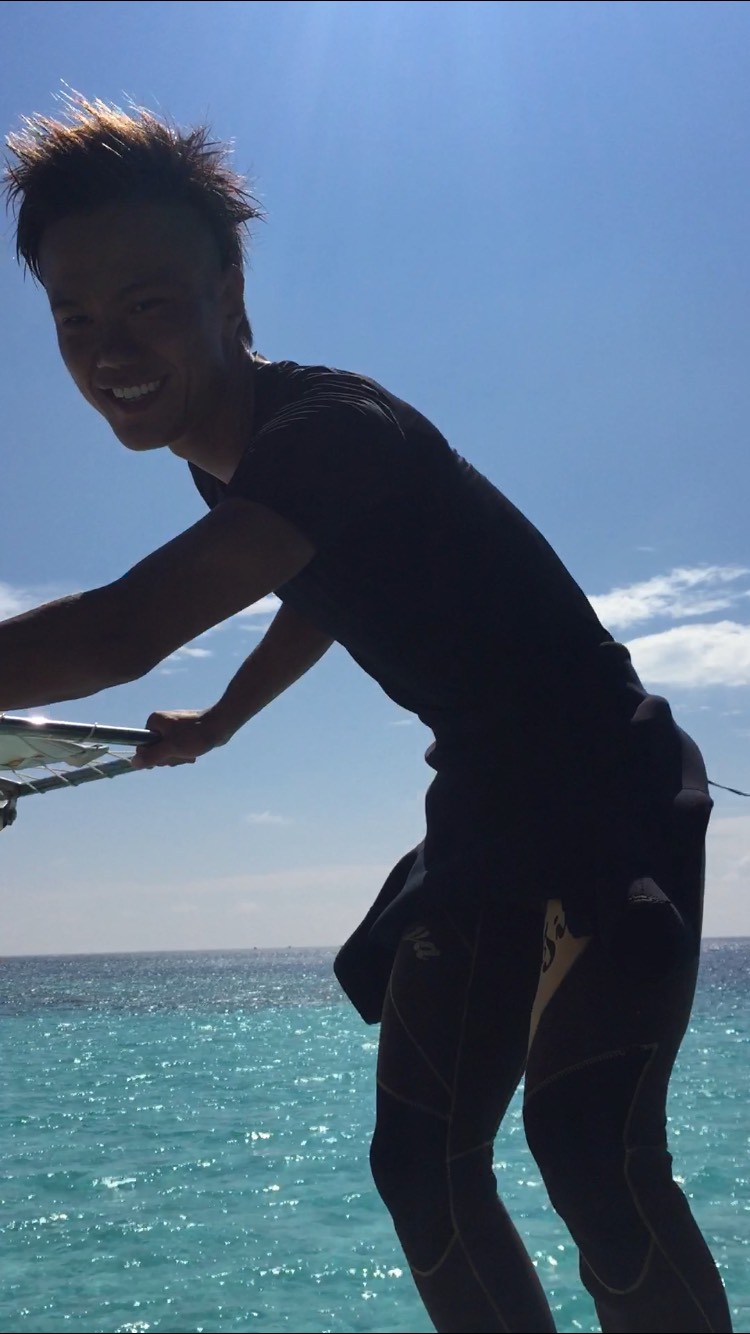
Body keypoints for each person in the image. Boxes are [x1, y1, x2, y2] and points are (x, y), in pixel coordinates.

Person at [1, 97, 732, 1334]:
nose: (107, 350)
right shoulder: (232, 464)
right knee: (419, 1163)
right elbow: (320, 592)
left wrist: (197, 698)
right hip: (484, 805)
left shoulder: (332, 429)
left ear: (231, 290)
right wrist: (225, 719)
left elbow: (123, 629)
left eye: (146, 304)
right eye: (75, 319)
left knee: (587, 1145)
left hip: (606, 780)